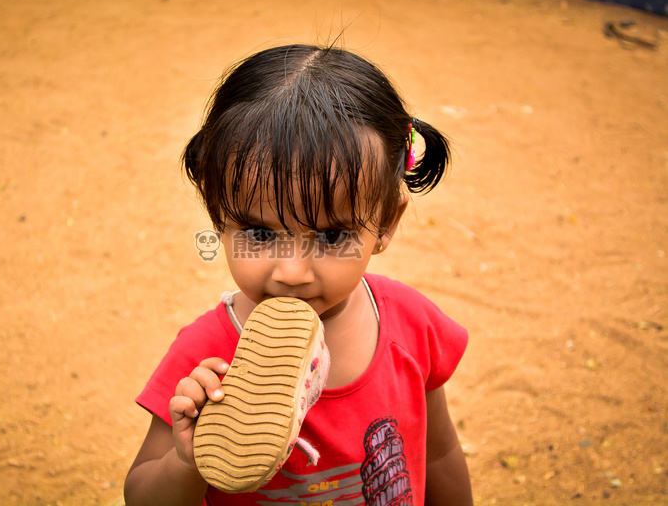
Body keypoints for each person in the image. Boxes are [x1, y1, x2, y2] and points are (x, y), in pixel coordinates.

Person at [124, 43, 473, 506]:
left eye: (331, 237)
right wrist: (187, 463)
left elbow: (441, 453)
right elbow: (142, 496)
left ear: (386, 223)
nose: (291, 272)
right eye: (259, 233)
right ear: (216, 213)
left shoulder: (413, 324)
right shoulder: (206, 359)